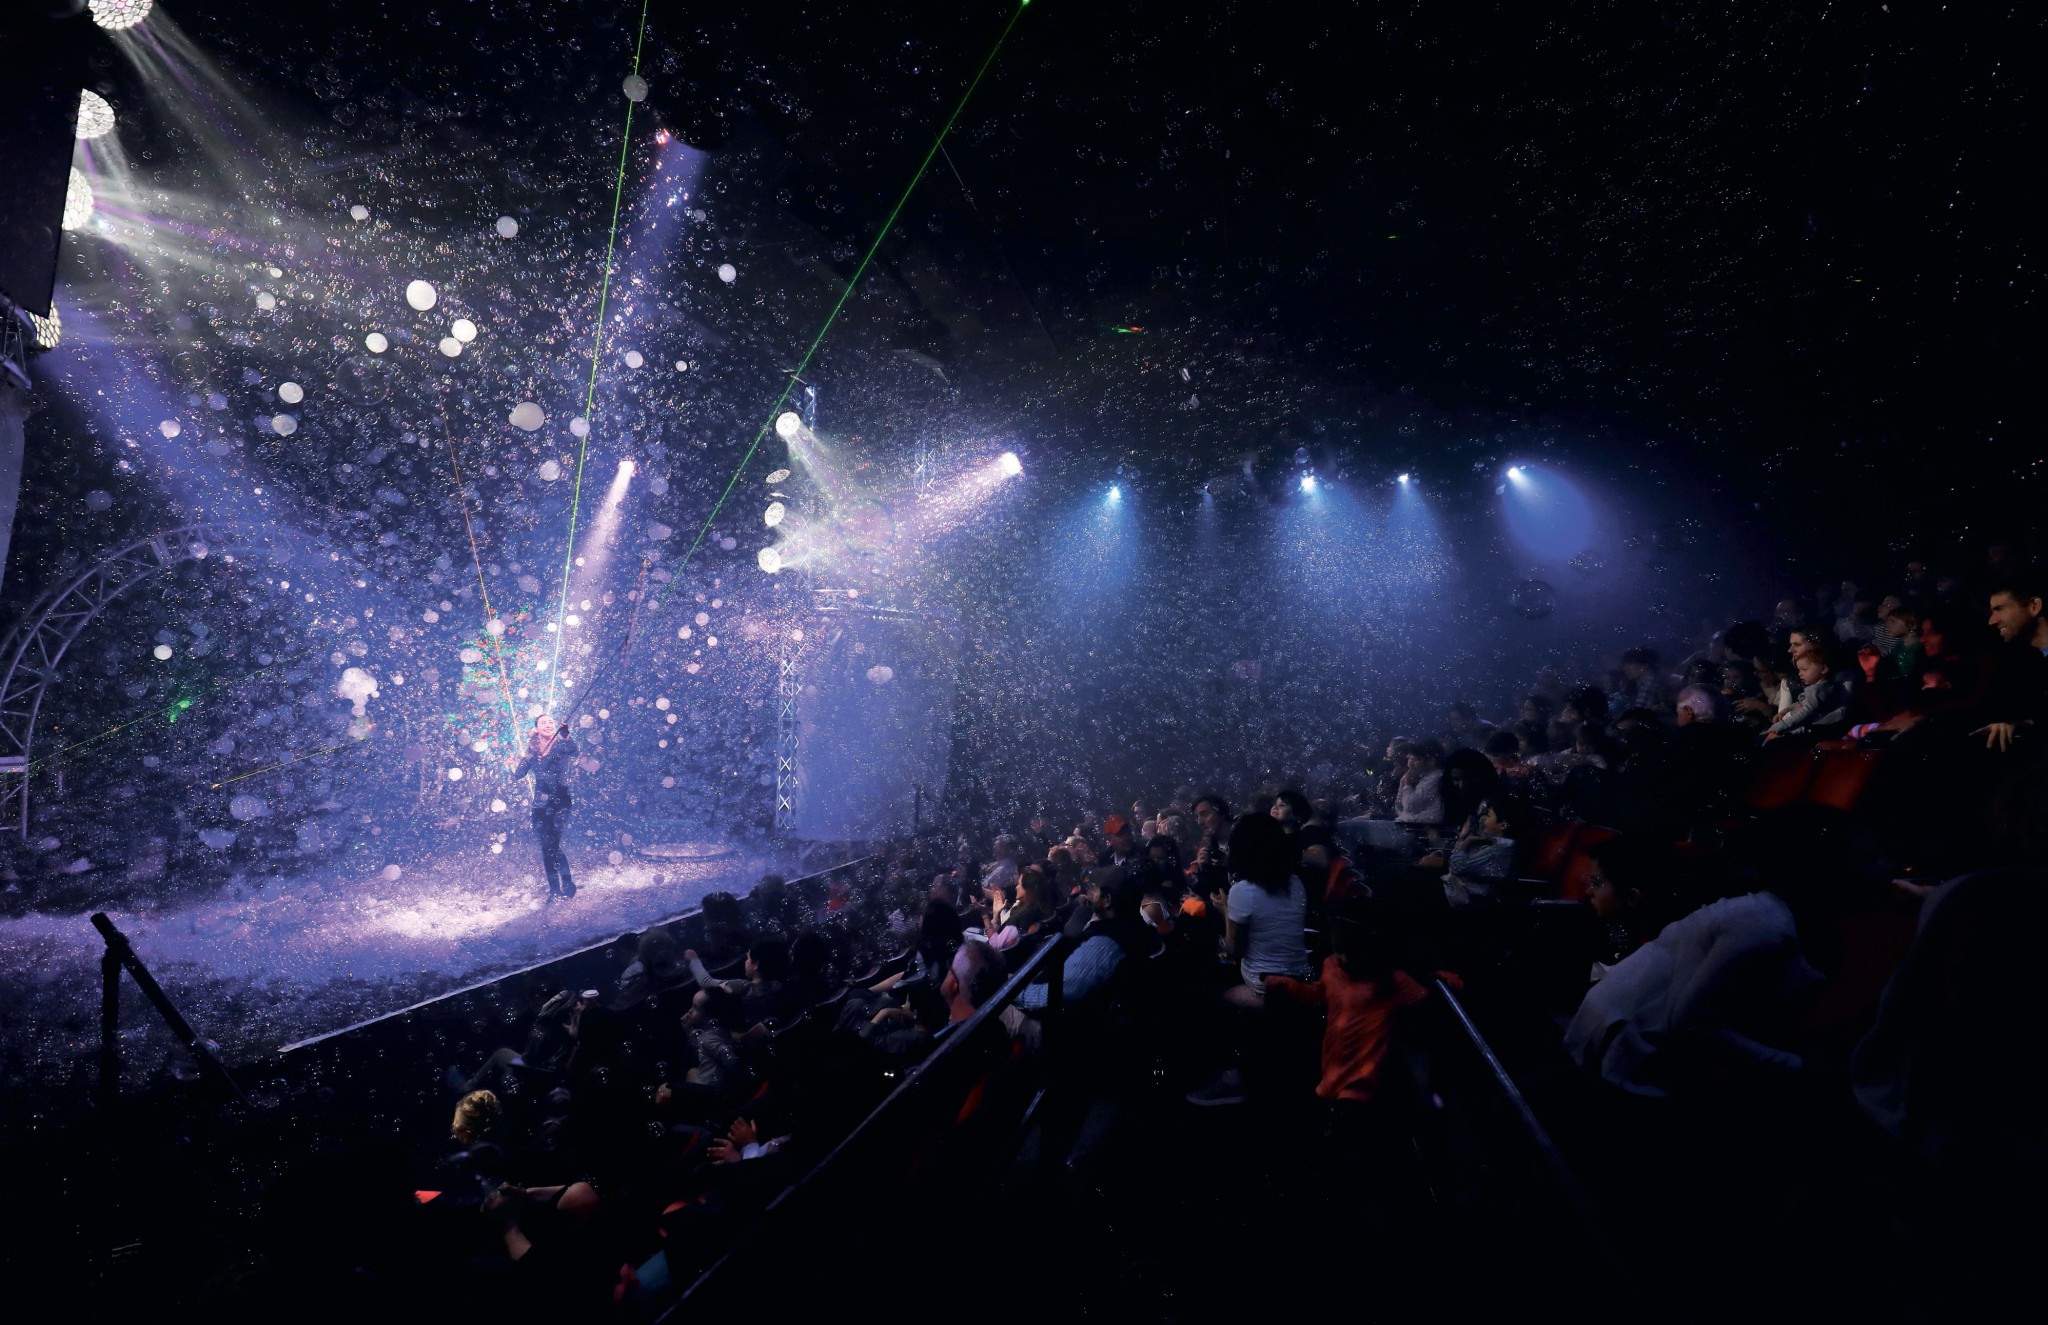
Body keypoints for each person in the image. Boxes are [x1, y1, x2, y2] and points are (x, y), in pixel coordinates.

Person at [513, 714, 578, 899]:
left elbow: (574, 751)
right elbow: (519, 773)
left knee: (553, 844)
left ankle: (566, 881)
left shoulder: (562, 744)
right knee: (546, 846)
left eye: (551, 722)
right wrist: (521, 759)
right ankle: (554, 889)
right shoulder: (533, 751)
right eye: (543, 722)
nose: (548, 724)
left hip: (560, 801)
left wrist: (566, 735)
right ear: (536, 729)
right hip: (540, 805)